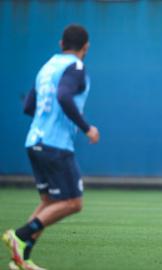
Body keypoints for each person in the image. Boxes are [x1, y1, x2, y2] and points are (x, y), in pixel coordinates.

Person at [2, 24, 99, 270]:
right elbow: (64, 96)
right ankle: (21, 236)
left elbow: (28, 106)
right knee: (73, 202)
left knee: (48, 201)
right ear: (85, 47)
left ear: (60, 44)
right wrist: (87, 127)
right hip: (55, 144)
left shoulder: (47, 68)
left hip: (34, 140)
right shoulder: (75, 66)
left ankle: (20, 259)